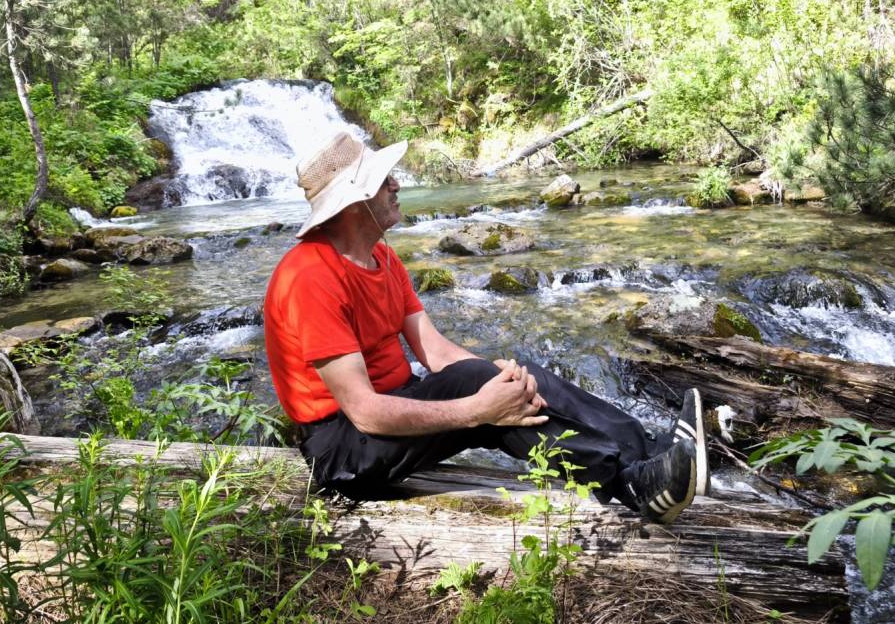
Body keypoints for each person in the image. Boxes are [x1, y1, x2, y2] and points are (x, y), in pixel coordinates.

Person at [264, 132, 708, 523]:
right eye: (383, 180)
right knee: (485, 393)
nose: (396, 184)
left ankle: (655, 453)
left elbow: (435, 352)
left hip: (388, 413)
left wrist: (504, 381)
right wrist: (480, 409)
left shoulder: (382, 256)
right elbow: (363, 410)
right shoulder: (309, 277)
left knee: (506, 374)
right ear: (354, 202)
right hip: (343, 450)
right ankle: (630, 485)